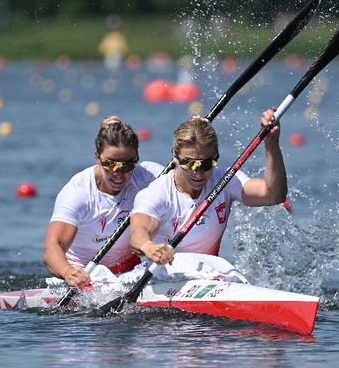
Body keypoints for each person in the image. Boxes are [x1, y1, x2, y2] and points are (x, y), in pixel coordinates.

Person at [129, 108, 287, 265]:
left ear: (216, 157)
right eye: (189, 163)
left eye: (206, 163)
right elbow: (138, 232)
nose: (197, 172)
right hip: (164, 274)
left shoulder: (225, 180)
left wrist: (271, 144)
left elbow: (273, 195)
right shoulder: (159, 193)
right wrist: (148, 246)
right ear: (175, 158)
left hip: (210, 276)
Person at [43, 116, 164, 288]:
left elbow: (185, 181)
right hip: (85, 277)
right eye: (110, 164)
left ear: (136, 160)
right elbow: (53, 247)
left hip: (131, 272)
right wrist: (68, 272)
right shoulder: (78, 192)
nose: (118, 173)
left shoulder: (147, 176)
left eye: (127, 165)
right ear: (97, 157)